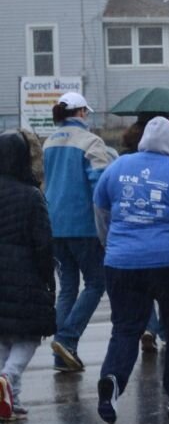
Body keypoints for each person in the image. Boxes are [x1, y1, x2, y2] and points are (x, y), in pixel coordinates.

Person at [92, 118, 169, 423]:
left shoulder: (118, 168)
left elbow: (100, 209)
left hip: (122, 264)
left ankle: (113, 380)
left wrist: (112, 245)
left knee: (125, 328)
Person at [42, 90, 117, 372]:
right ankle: (67, 339)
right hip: (84, 226)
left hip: (55, 225)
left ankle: (61, 356)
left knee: (68, 288)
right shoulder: (90, 142)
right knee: (97, 283)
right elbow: (100, 185)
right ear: (82, 113)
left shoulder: (49, 142)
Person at [0, 131, 54, 422]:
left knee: (4, 334)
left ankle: (10, 397)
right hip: (24, 271)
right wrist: (48, 278)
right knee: (30, 335)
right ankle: (8, 379)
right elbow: (43, 243)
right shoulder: (31, 195)